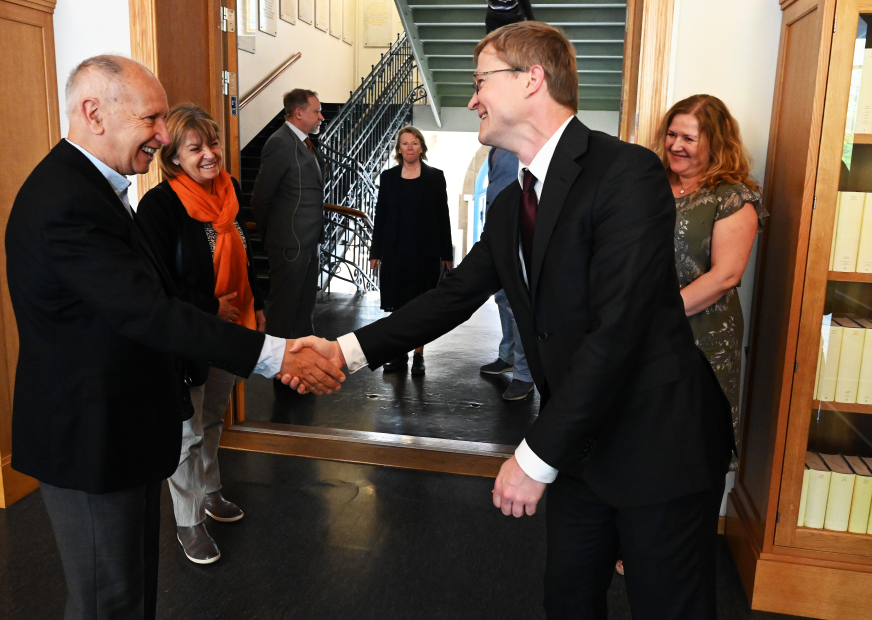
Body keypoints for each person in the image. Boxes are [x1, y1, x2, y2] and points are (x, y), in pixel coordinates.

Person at [285, 21, 735, 620]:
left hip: (658, 442)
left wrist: (533, 457)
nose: (472, 98)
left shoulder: (626, 173)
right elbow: (450, 299)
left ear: (532, 80)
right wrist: (346, 351)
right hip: (581, 446)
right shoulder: (508, 205)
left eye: (480, 82)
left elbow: (619, 330)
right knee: (568, 600)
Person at [5, 56, 344, 620]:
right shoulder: (67, 200)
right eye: (152, 120)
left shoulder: (96, 187)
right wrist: (276, 353)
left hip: (123, 430)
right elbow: (150, 312)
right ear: (93, 113)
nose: (163, 136)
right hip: (89, 437)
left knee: (133, 592)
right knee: (106, 602)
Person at [136, 103, 267, 565]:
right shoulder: (159, 207)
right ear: (173, 156)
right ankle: (188, 522)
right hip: (191, 335)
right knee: (188, 432)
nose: (209, 154)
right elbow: (156, 282)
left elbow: (248, 260)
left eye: (212, 143)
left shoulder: (228, 193)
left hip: (233, 331)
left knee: (214, 418)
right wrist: (213, 306)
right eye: (196, 148)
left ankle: (211, 492)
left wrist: (257, 308)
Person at [656, 94, 766, 452]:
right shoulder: (651, 185)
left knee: (692, 438)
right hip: (641, 327)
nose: (676, 145)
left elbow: (725, 277)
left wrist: (659, 316)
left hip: (702, 336)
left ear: (715, 143)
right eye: (672, 134)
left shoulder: (732, 197)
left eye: (689, 138)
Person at [368, 126, 452, 376]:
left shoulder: (435, 177)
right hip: (395, 252)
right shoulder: (389, 178)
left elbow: (443, 217)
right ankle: (400, 354)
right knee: (399, 307)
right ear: (399, 149)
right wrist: (376, 251)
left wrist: (446, 254)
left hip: (425, 253)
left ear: (422, 147)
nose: (410, 148)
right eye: (405, 144)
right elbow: (380, 216)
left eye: (414, 143)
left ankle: (418, 356)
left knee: (421, 307)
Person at [251, 88, 326, 340]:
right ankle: (281, 371)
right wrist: (275, 235)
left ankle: (302, 365)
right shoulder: (280, 142)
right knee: (283, 312)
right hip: (289, 243)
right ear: (298, 112)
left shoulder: (303, 141)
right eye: (316, 111)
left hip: (307, 241)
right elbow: (261, 197)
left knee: (304, 310)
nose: (321, 117)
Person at [479, 147, 534, 401]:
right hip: (497, 234)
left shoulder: (520, 147)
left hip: (517, 235)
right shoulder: (496, 148)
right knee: (502, 300)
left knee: (517, 305)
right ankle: (508, 356)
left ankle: (524, 374)